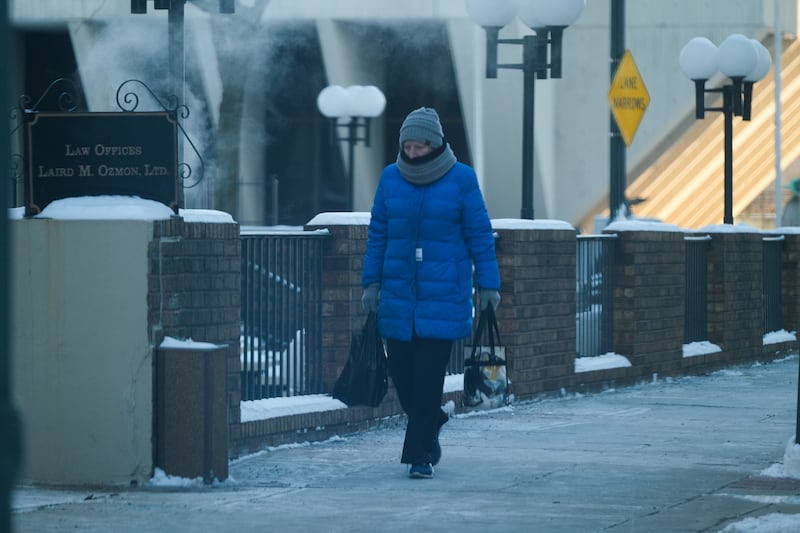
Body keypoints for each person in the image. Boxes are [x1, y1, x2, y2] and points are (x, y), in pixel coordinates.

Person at [361, 107, 501, 479]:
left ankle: (419, 456)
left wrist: (489, 284)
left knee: (427, 379)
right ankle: (433, 419)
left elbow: (480, 236)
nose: (411, 153)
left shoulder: (461, 180)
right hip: (398, 297)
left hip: (444, 297)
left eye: (418, 146)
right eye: (406, 145)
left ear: (435, 145)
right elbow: (378, 236)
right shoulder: (391, 179)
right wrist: (370, 283)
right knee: (402, 377)